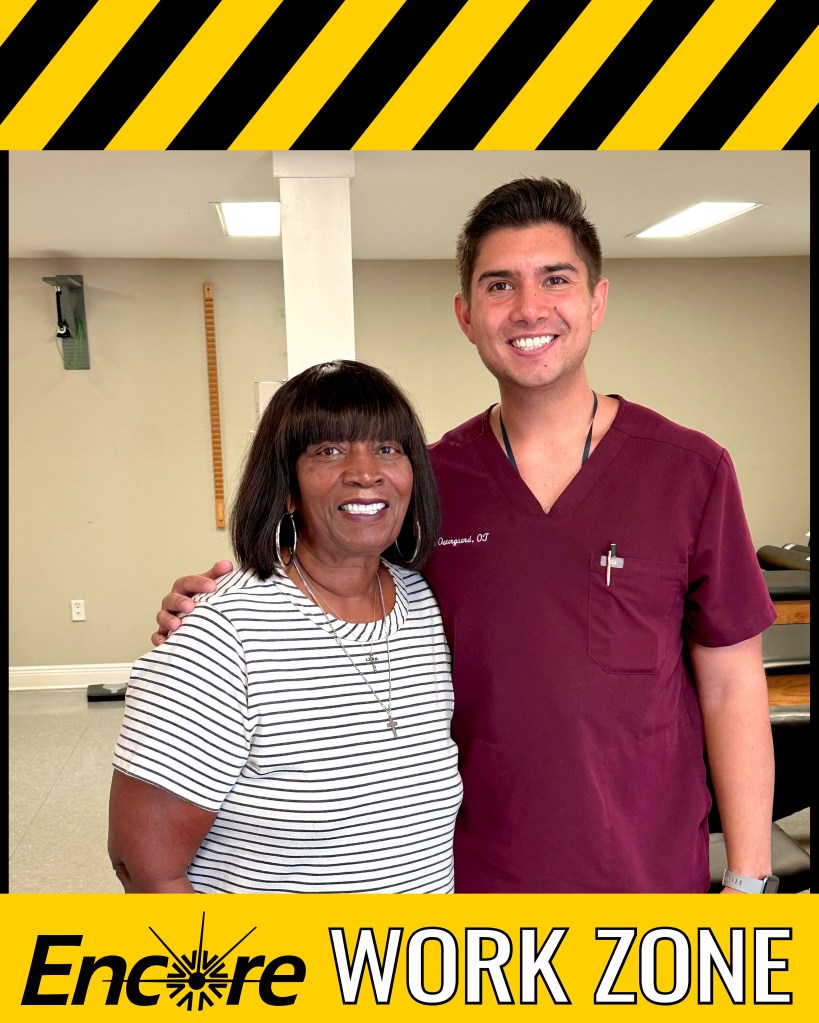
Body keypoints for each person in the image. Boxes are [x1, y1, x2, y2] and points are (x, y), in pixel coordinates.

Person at [153, 177, 777, 894]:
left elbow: (732, 688)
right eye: (499, 285)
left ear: (597, 301)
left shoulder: (689, 470)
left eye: (556, 279)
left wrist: (748, 881)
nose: (529, 308)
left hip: (645, 878)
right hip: (469, 882)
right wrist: (211, 612)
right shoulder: (424, 482)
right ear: (466, 315)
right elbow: (333, 584)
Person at [109, 360, 462, 893]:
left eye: (388, 448)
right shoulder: (221, 635)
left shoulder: (427, 602)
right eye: (329, 450)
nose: (365, 472)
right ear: (287, 487)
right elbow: (143, 866)